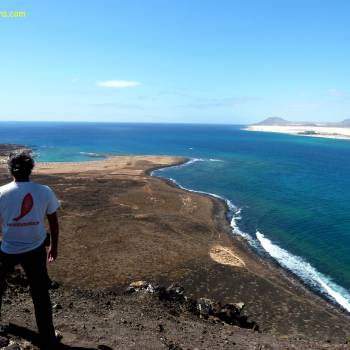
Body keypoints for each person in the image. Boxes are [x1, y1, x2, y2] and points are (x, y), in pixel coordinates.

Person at [0, 151, 60, 349]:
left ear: (10, 170)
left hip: (7, 249)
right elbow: (53, 220)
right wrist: (54, 246)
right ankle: (48, 337)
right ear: (31, 169)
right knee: (40, 294)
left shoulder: (1, 193)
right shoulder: (44, 191)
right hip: (35, 250)